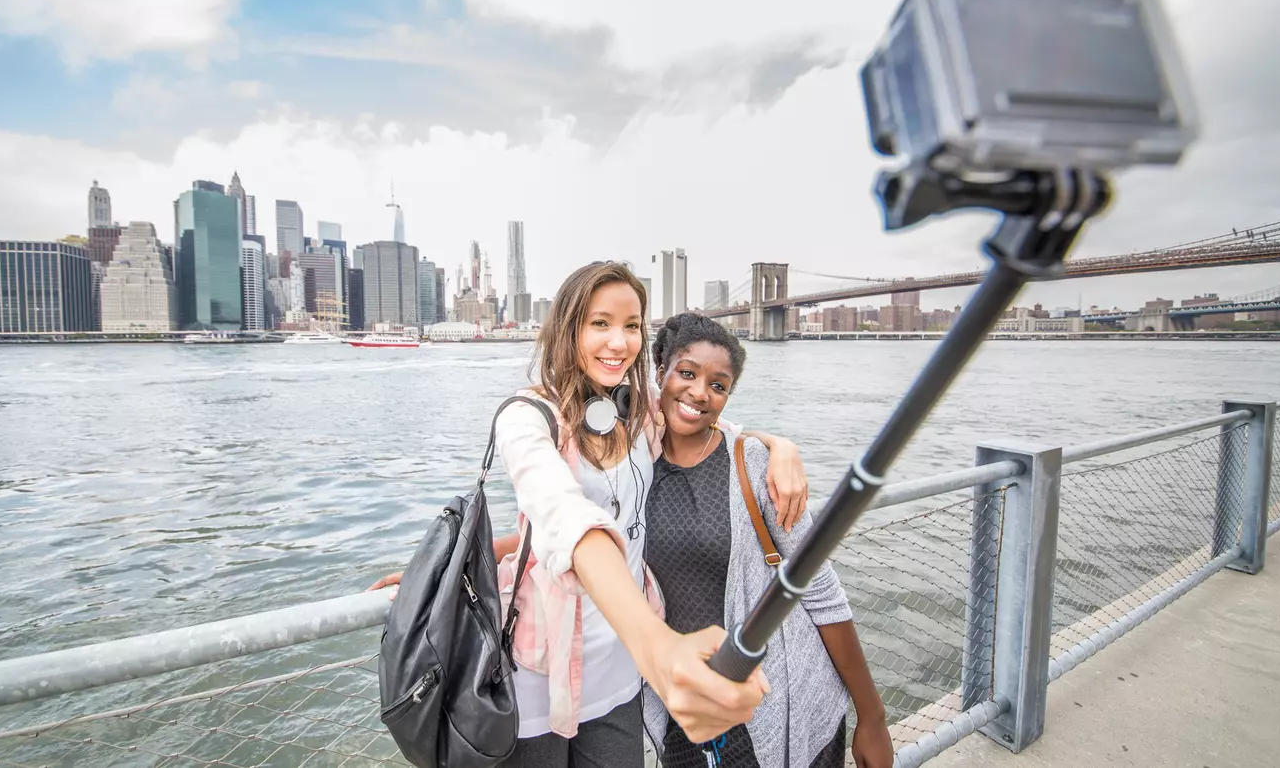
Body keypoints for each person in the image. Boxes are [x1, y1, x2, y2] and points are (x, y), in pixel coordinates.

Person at [370, 262, 810, 767]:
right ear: (568, 327)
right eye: (600, 323)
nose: (619, 342)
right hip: (540, 672)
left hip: (619, 672)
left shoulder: (642, 412)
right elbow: (564, 518)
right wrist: (658, 648)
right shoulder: (527, 418)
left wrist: (779, 446)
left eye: (631, 326)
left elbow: (712, 425)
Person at [644, 312, 893, 768]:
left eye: (718, 386)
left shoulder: (754, 464)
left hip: (780, 706)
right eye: (686, 373)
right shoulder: (630, 469)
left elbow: (821, 593)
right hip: (684, 715)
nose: (700, 393)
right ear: (659, 373)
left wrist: (872, 715)